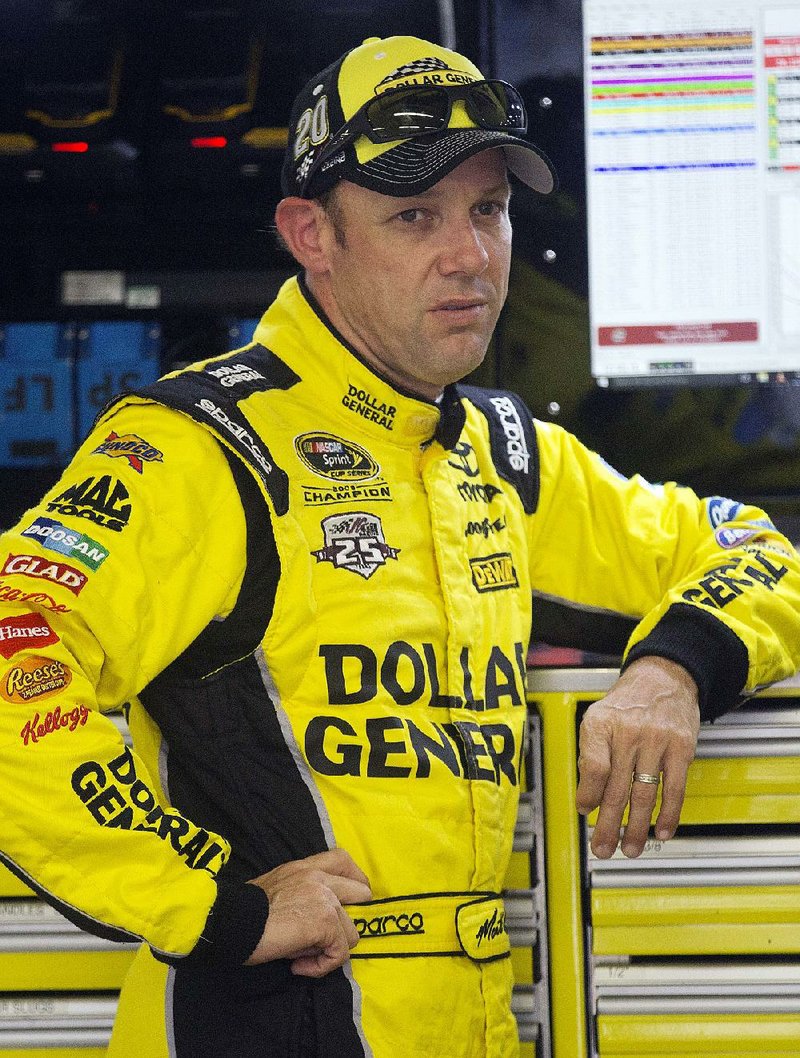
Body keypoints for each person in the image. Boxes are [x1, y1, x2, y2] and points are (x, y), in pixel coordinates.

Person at [0, 33, 798, 1058]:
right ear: (311, 234)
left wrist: (669, 671)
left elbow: (755, 547)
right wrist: (210, 901)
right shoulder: (200, 444)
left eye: (487, 210)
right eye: (412, 216)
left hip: (469, 1021)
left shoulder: (504, 455)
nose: (467, 254)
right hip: (260, 1019)